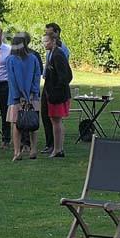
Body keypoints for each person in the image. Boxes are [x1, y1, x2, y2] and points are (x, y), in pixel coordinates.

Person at [5, 32, 43, 161]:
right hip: (33, 97)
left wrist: (19, 97)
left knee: (16, 125)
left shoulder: (10, 60)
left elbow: (12, 81)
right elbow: (36, 77)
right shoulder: (33, 58)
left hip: (16, 98)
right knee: (33, 123)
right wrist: (32, 93)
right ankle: (33, 150)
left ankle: (17, 152)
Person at [41, 23, 70, 155]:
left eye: (46, 41)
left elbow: (65, 76)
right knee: (54, 120)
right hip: (51, 92)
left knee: (56, 121)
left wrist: (55, 91)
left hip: (57, 94)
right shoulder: (52, 53)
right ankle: (57, 148)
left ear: (53, 40)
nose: (44, 44)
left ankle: (58, 149)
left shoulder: (59, 54)